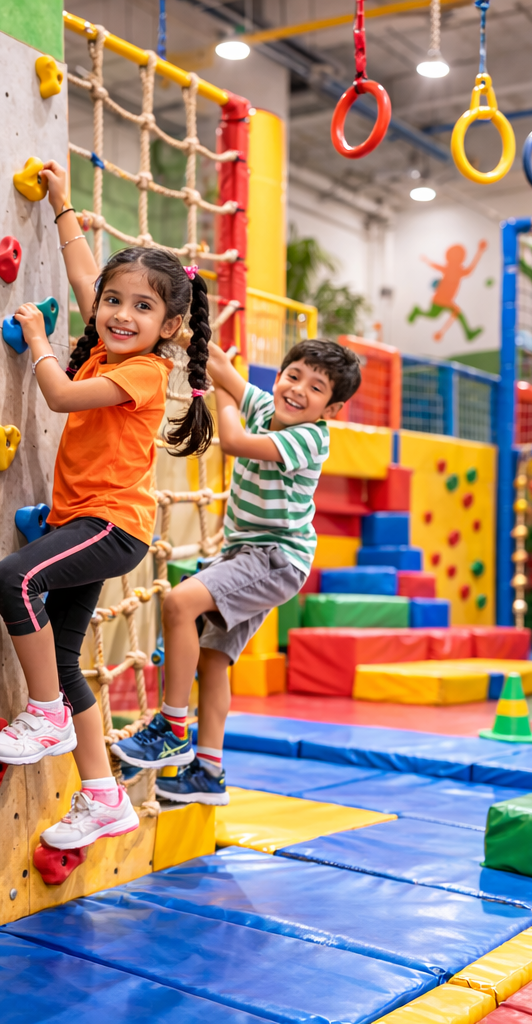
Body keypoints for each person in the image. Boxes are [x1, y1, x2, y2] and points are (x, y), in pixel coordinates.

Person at [0, 160, 214, 849]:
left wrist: (38, 341)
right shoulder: (111, 348)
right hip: (84, 522)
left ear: (171, 326)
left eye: (142, 308)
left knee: (14, 578)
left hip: (112, 525)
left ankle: (45, 714)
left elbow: (58, 395)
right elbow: (86, 273)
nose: (119, 314)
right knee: (66, 657)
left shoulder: (144, 371)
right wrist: (62, 206)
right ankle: (104, 795)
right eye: (114, 301)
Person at [116, 337, 361, 804]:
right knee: (212, 658)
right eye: (294, 376)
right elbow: (223, 368)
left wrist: (224, 394)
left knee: (180, 603)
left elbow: (232, 440)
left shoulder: (312, 438)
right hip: (244, 554)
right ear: (280, 375)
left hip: (275, 558)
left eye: (316, 388)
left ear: (331, 410)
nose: (298, 390)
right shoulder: (266, 405)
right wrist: (187, 335)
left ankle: (171, 728)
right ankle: (208, 772)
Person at [408, 240, 487, 342]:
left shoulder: (459, 271)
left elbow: (469, 270)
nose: (456, 258)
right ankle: (468, 333)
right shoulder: (450, 269)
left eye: (459, 256)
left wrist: (479, 252)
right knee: (438, 315)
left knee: (441, 314)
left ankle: (468, 333)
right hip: (440, 299)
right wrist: (426, 260)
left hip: (446, 300)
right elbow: (435, 266)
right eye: (454, 256)